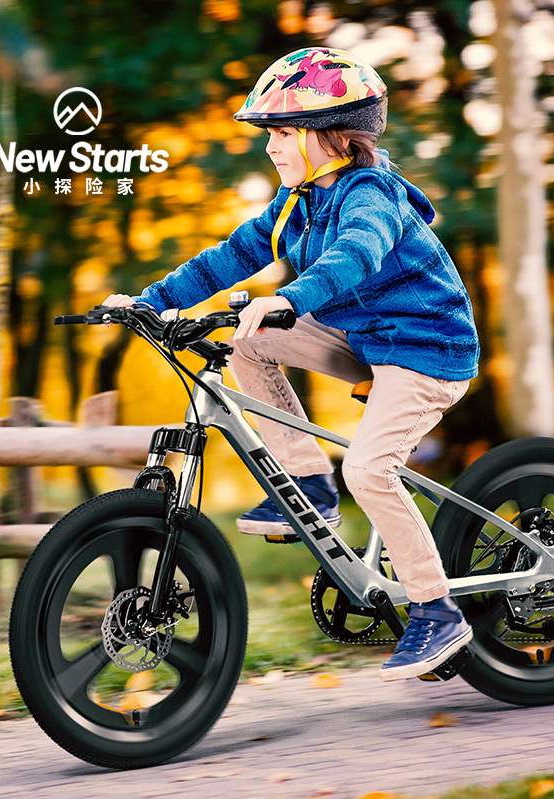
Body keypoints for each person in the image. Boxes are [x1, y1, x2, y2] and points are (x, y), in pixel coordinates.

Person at [104, 47, 480, 681]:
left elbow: (354, 257)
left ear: (334, 137)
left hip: (426, 350)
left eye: (283, 132)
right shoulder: (297, 202)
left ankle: (438, 611)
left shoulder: (372, 197)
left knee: (370, 468)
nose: (272, 147)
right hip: (365, 339)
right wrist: (149, 303)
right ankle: (308, 485)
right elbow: (227, 258)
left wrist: (289, 298)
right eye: (270, 135)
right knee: (244, 342)